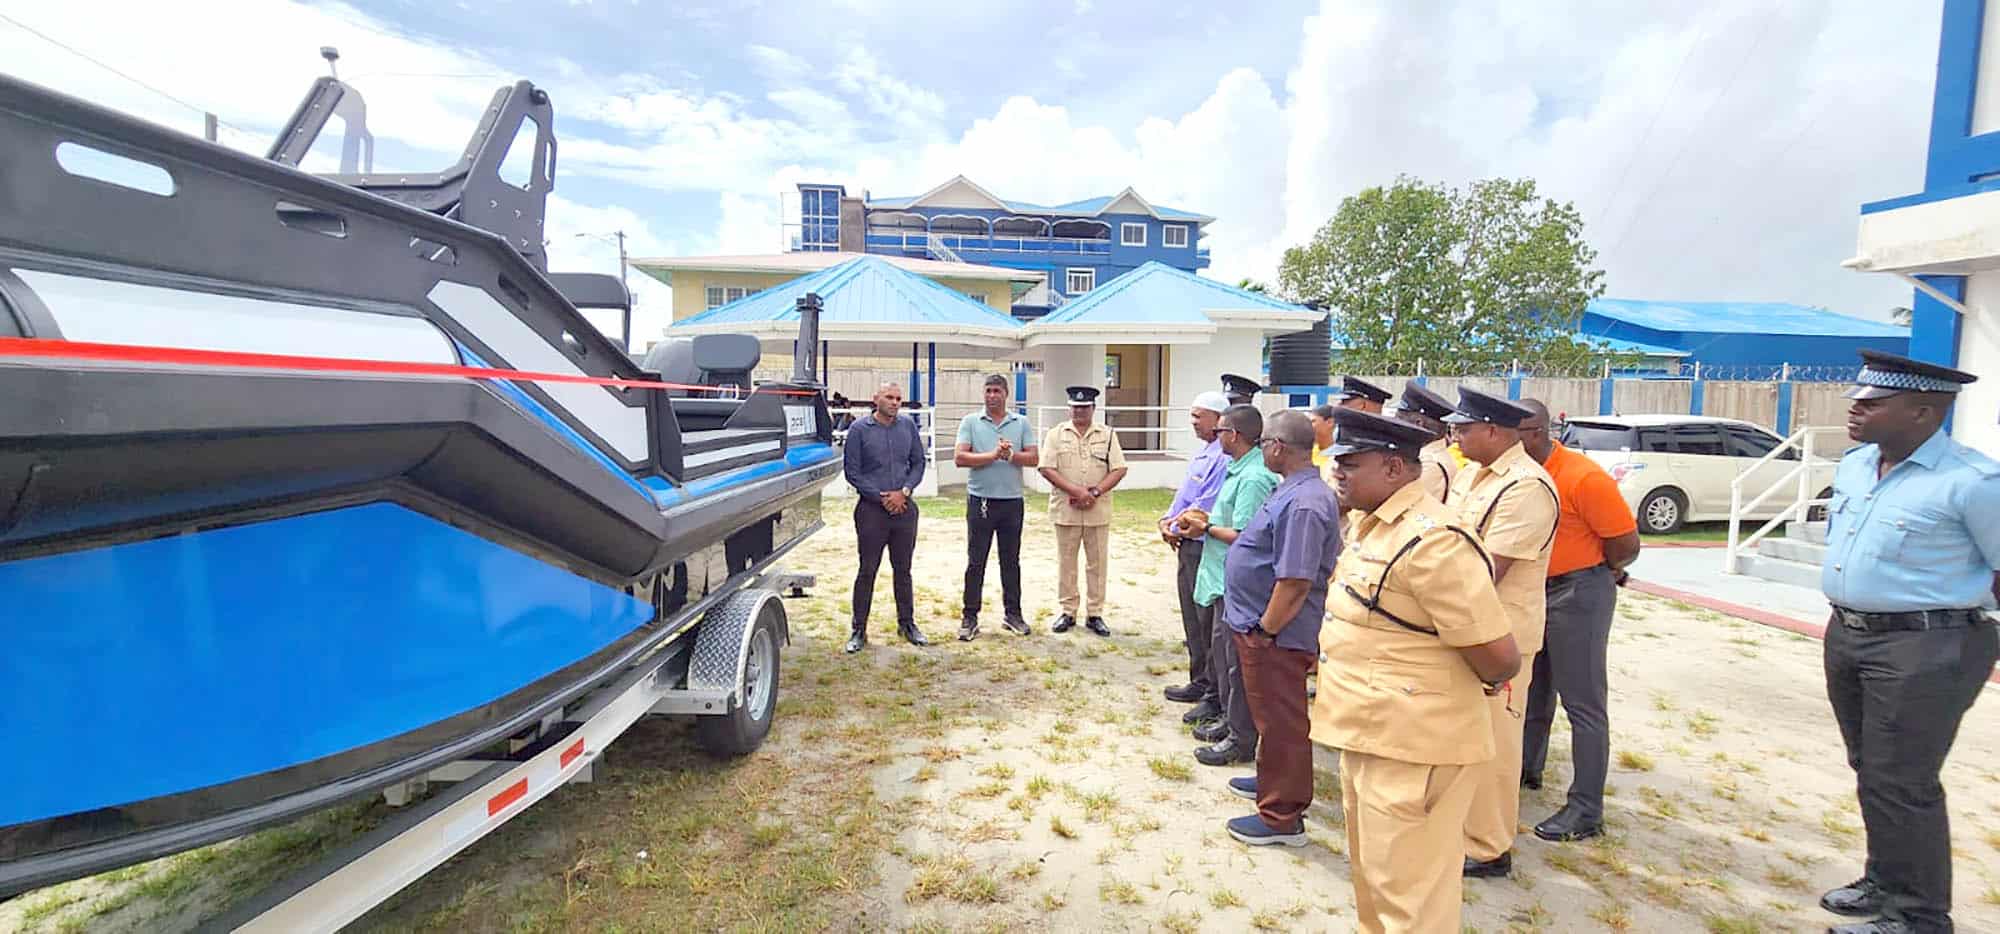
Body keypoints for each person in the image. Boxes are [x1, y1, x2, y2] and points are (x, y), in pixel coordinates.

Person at [1314, 407, 1521, 934]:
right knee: (1376, 882)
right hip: (1370, 732)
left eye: (1350, 463)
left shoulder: (1435, 541)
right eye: (1338, 461)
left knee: (1411, 898)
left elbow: (1497, 656)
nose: (1337, 472)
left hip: (1416, 744)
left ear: (1394, 468)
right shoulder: (1373, 525)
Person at [1816, 350, 1997, 934]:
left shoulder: (1972, 482)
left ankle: (1918, 916)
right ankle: (1884, 880)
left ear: (1923, 412)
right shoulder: (1855, 465)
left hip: (1926, 646)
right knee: (1872, 767)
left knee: (1905, 779)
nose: (1855, 411)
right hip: (1849, 634)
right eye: (1856, 400)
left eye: (1872, 403)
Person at [1210, 410, 1342, 846]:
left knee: (1283, 720)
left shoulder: (1304, 502)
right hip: (1263, 627)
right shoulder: (1293, 489)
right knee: (1272, 717)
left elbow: (1295, 580)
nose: (1262, 448)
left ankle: (1282, 816)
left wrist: (1266, 631)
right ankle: (1273, 779)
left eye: (1265, 441)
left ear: (1278, 446)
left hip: (1278, 634)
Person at [1442, 387, 1558, 879]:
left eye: (1464, 429)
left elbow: (1488, 570)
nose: (1455, 436)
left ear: (1492, 430)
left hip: (1500, 636)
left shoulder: (1527, 486)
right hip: (1462, 626)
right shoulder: (1474, 475)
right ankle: (1459, 829)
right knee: (1460, 736)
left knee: (1494, 744)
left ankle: (1489, 847)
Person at [1515, 398, 1641, 843]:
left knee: (1583, 702)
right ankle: (1526, 770)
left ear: (1535, 433)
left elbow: (1624, 542)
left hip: (1578, 592)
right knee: (1532, 690)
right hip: (1536, 590)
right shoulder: (1520, 475)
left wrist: (1600, 571)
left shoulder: (1582, 476)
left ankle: (1586, 808)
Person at [1178, 405, 1281, 766]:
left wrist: (1204, 528)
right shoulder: (1240, 470)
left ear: (1233, 435)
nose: (1215, 437)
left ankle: (1240, 736)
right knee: (1223, 656)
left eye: (1220, 431)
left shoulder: (1253, 478)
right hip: (1222, 576)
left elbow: (1244, 535)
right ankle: (1228, 718)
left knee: (1236, 661)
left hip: (1234, 581)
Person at [842, 382, 930, 653]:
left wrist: (904, 492)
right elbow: (852, 472)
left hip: (904, 509)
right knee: (867, 570)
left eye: (898, 399)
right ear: (875, 399)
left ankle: (907, 623)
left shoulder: (908, 427)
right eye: (889, 397)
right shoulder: (859, 430)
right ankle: (859, 629)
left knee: (903, 570)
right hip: (871, 511)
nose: (895, 402)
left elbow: (918, 462)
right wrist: (882, 497)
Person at [1161, 392, 1233, 721]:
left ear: (1218, 419)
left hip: (1203, 543)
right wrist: (1167, 520)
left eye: (1197, 416)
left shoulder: (1225, 458)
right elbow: (1184, 496)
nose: (1192, 422)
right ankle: (1198, 678)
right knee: (1191, 614)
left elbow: (1205, 504)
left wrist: (1177, 524)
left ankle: (1211, 690)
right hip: (1186, 540)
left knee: (1207, 620)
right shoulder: (1205, 453)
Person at [1038, 386, 1129, 636]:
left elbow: (1119, 469)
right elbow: (1046, 467)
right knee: (1066, 563)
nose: (1079, 411)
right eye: (1075, 407)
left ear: (1093, 408)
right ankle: (1068, 611)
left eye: (1084, 407)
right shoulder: (1056, 434)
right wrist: (1076, 491)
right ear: (1069, 408)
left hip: (1096, 510)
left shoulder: (1108, 435)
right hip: (1066, 509)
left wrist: (1095, 492)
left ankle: (1095, 613)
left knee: (1097, 564)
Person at [953, 374, 1038, 641]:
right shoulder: (971, 422)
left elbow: (1034, 458)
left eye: (997, 391)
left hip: (1012, 502)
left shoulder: (1021, 422)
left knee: (1010, 561)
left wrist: (1010, 455)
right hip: (981, 501)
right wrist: (993, 455)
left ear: (1006, 394)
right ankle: (970, 616)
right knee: (976, 562)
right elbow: (960, 457)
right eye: (988, 390)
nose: (992, 395)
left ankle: (1012, 614)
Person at [1394, 382, 1461, 502]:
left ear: (1418, 424)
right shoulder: (1429, 456)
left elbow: (1400, 507)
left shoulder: (1429, 464)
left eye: (1398, 419)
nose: (1394, 423)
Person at [1309, 404, 1338, 481]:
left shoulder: (1340, 456)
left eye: (1313, 421)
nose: (1308, 426)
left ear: (1330, 422)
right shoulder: (1307, 453)